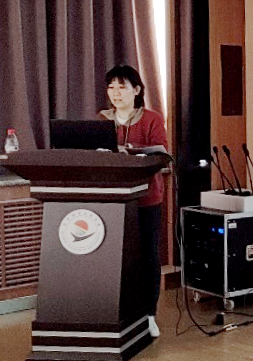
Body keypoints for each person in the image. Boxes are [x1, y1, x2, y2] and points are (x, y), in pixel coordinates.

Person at [99, 64, 167, 338]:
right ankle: (118, 313)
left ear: (137, 90)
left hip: (146, 199)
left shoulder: (152, 119)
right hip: (112, 200)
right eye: (111, 87)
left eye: (122, 87)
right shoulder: (102, 120)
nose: (115, 92)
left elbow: (160, 156)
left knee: (148, 256)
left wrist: (129, 151)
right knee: (115, 258)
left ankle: (149, 315)